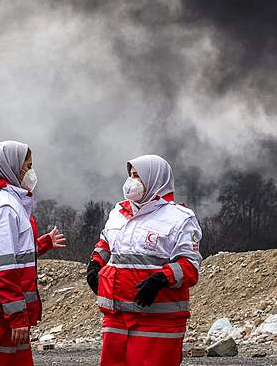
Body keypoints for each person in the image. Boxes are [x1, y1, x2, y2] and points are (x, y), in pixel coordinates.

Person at [86, 154, 202, 366]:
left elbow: (190, 265)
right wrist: (95, 264)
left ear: (155, 179)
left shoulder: (179, 218)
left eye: (138, 176)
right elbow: (105, 242)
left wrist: (161, 279)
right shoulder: (118, 213)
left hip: (158, 321)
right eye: (131, 175)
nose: (132, 181)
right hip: (116, 317)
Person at [0, 140, 66, 366]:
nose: (30, 172)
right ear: (10, 167)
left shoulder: (3, 202)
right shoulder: (5, 208)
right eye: (26, 166)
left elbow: (11, 253)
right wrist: (17, 317)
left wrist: (42, 244)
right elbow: (3, 267)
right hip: (0, 320)